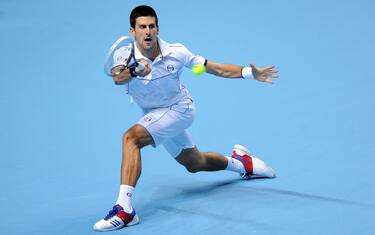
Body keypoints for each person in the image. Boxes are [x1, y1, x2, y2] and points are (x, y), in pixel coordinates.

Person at [94, 5, 279, 232]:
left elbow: (214, 68)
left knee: (131, 138)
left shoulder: (177, 51)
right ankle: (243, 163)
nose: (148, 31)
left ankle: (124, 210)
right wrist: (135, 71)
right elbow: (118, 78)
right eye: (142, 27)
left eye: (152, 26)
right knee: (194, 163)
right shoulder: (123, 54)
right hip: (153, 114)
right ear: (132, 31)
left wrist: (249, 73)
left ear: (158, 28)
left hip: (179, 110)